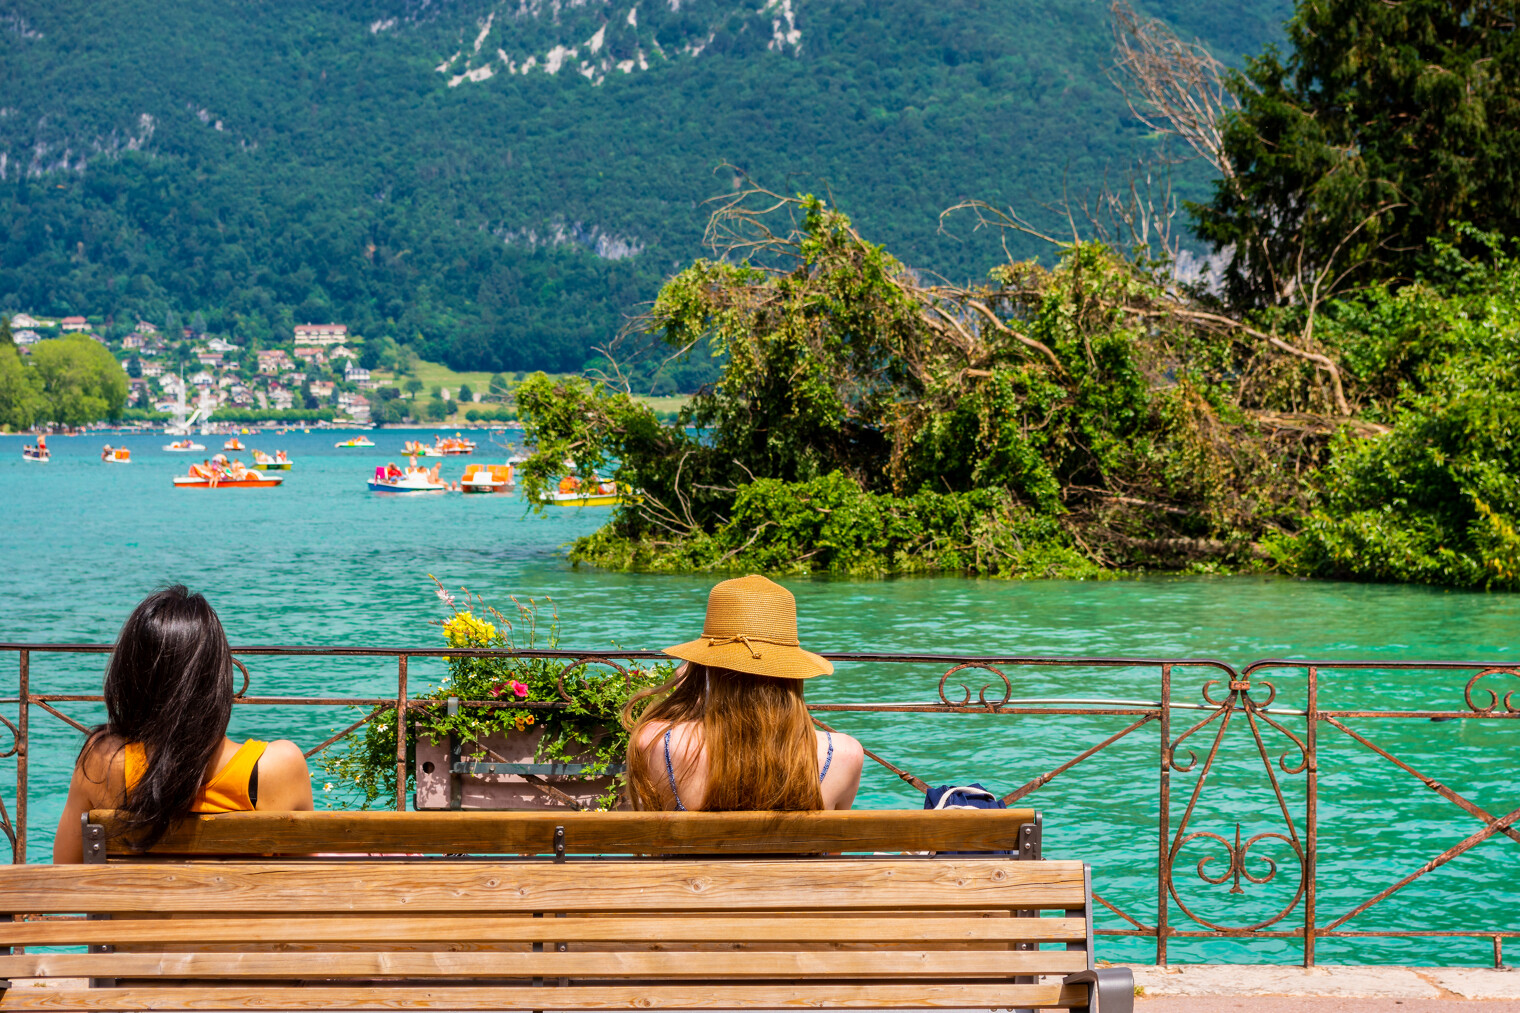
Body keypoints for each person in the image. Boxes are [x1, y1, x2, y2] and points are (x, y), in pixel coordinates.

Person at [52, 586, 312, 862]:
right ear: (218, 676)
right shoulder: (280, 766)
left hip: (133, 905)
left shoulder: (102, 761)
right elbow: (310, 880)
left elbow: (65, 870)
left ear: (130, 675)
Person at [623, 574, 863, 811]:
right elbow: (831, 848)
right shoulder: (844, 754)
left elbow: (654, 842)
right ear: (792, 674)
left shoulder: (655, 742)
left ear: (705, 667)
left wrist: (690, 692)